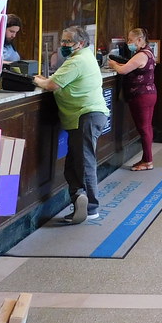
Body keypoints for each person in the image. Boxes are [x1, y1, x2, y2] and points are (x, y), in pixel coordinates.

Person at [32, 25, 109, 224]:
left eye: (68, 41)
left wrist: (36, 80)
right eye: (63, 41)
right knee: (73, 164)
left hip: (85, 116)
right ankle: (79, 198)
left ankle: (91, 207)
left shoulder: (77, 61)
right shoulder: (85, 57)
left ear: (80, 43)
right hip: (84, 116)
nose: (63, 45)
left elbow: (51, 85)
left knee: (84, 163)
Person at [108, 27, 157, 171]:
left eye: (130, 40)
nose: (129, 43)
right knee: (146, 127)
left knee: (144, 128)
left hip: (141, 96)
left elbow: (123, 70)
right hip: (149, 93)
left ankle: (148, 161)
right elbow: (131, 67)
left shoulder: (141, 55)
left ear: (140, 40)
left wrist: (114, 64)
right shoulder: (147, 52)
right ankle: (146, 158)